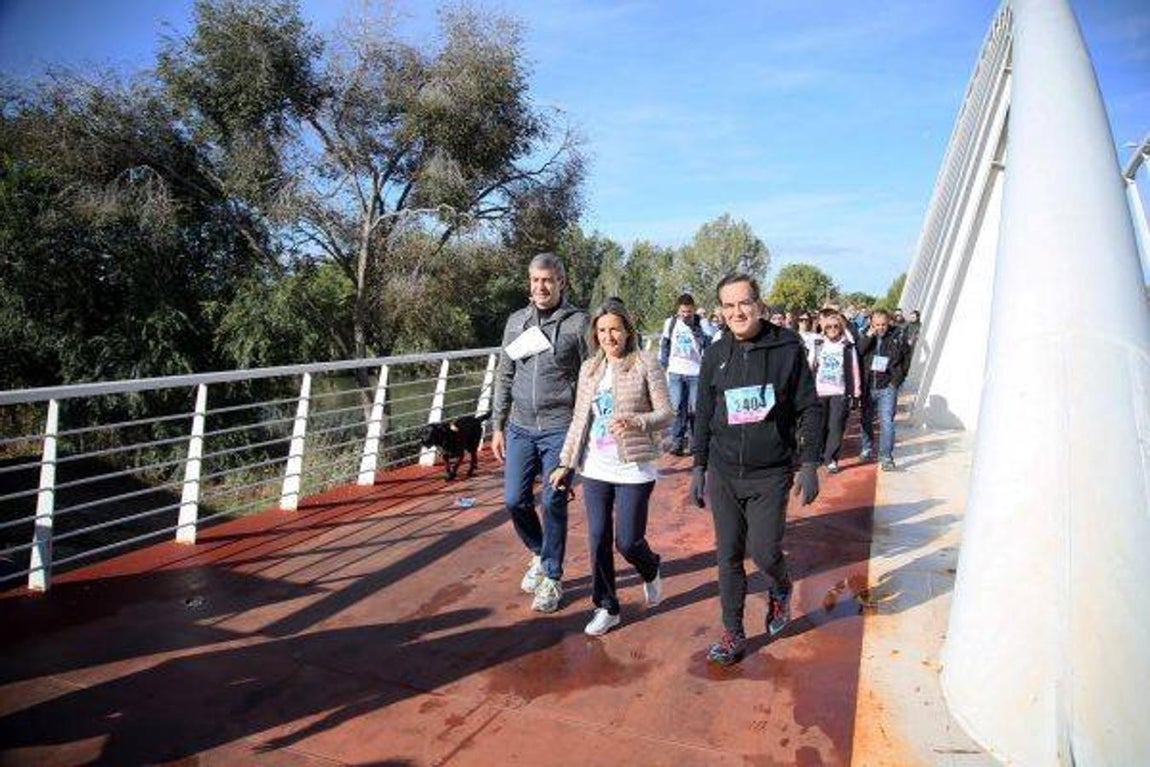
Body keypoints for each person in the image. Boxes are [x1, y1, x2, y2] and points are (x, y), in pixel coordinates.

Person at [689, 273, 822, 666]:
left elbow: (809, 407)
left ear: (759, 303)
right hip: (725, 471)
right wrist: (698, 466)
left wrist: (810, 463)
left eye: (743, 303)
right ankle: (733, 632)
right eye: (728, 306)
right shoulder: (715, 355)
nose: (736, 312)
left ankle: (780, 586)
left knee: (763, 552)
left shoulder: (786, 347)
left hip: (770, 473)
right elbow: (703, 415)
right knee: (728, 554)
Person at [549, 301, 674, 636]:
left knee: (628, 541)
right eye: (602, 330)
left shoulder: (645, 363)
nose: (608, 336)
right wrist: (566, 463)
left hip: (635, 466)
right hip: (595, 466)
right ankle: (606, 606)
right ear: (595, 334)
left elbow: (666, 413)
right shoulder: (589, 368)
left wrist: (637, 421)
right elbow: (579, 420)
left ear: (628, 330)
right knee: (597, 537)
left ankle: (650, 567)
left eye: (614, 329)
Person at [491, 253, 590, 613]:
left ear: (561, 282)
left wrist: (586, 426)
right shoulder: (516, 322)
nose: (540, 287)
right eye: (535, 281)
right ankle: (539, 551)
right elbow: (504, 373)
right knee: (514, 500)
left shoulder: (579, 323)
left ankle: (552, 577)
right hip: (518, 426)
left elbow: (591, 375)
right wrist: (497, 425)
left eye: (547, 280)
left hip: (558, 427)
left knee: (552, 501)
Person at [857, 309, 908, 472]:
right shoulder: (864, 334)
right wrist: (869, 336)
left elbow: (906, 359)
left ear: (889, 322)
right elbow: (858, 352)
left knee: (887, 422)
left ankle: (886, 456)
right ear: (871, 323)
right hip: (868, 385)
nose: (880, 328)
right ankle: (867, 448)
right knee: (866, 420)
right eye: (877, 325)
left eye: (883, 324)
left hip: (887, 386)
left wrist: (897, 381)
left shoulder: (897, 336)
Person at [811, 309, 861, 473]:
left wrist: (856, 392)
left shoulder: (847, 346)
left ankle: (831, 458)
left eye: (836, 326)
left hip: (840, 391)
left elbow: (854, 369)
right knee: (820, 425)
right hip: (820, 391)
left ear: (841, 328)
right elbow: (810, 365)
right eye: (829, 327)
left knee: (836, 425)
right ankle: (819, 454)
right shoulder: (818, 344)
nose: (832, 329)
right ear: (824, 329)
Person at [659, 293, 709, 456]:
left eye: (689, 311)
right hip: (676, 372)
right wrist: (665, 365)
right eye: (683, 312)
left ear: (693, 309)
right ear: (678, 310)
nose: (686, 315)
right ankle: (677, 441)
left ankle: (696, 441)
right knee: (677, 407)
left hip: (695, 372)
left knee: (695, 408)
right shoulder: (670, 323)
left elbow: (709, 344)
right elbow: (665, 344)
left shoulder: (701, 324)